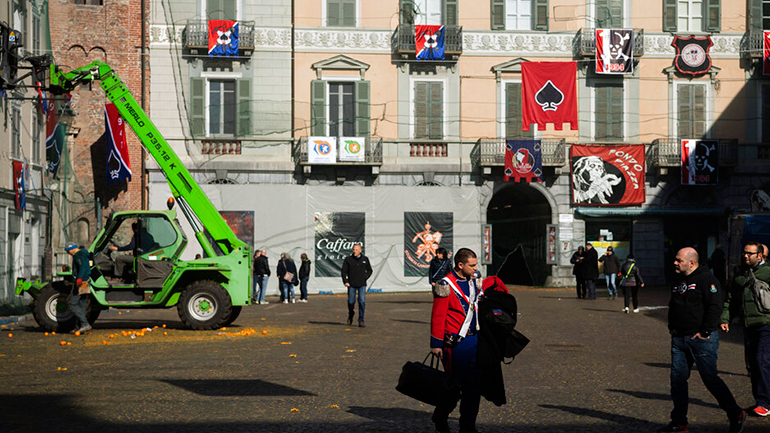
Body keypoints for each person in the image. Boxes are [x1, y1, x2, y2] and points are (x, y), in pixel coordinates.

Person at [658, 247, 746, 433]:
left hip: (701, 339)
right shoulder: (679, 280)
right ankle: (679, 423)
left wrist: (706, 331)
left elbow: (715, 306)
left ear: (692, 262)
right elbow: (674, 304)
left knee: (710, 379)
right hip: (679, 339)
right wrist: (672, 327)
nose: (675, 262)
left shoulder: (707, 279)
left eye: (679, 260)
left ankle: (736, 413)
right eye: (675, 259)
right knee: (678, 381)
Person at [430, 248, 483, 433]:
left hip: (474, 342)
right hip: (455, 345)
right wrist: (436, 344)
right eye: (472, 265)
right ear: (460, 265)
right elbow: (438, 315)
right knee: (453, 388)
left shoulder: (474, 280)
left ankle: (468, 426)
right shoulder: (445, 284)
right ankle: (440, 417)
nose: (476, 268)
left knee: (474, 387)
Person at [720, 241, 770, 417]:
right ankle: (760, 402)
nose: (745, 256)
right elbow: (731, 299)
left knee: (762, 360)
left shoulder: (768, 272)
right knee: (752, 365)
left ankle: (765, 403)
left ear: (760, 256)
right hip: (748, 325)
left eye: (750, 254)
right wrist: (725, 318)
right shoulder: (740, 274)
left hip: (766, 324)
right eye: (744, 253)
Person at [341, 244, 372, 327]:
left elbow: (369, 270)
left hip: (362, 284)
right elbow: (343, 271)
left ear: (360, 250)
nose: (354, 251)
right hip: (351, 284)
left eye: (356, 249)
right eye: (353, 249)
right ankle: (351, 314)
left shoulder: (365, 259)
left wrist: (365, 277)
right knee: (351, 301)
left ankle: (361, 320)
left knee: (361, 301)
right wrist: (345, 281)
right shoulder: (348, 259)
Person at [65, 241, 92, 333]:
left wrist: (79, 278)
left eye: (68, 251)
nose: (68, 254)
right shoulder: (83, 254)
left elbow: (83, 267)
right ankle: (80, 326)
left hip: (81, 283)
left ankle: (85, 324)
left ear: (71, 249)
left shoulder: (79, 255)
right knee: (81, 304)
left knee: (71, 303)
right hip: (85, 282)